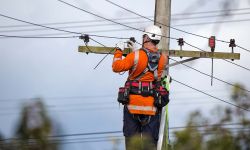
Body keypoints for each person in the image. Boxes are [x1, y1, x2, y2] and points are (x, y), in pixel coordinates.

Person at [112, 25, 169, 150]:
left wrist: (118, 50)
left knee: (133, 146)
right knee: (149, 147)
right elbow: (148, 62)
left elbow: (116, 67)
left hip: (132, 107)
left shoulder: (135, 56)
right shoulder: (163, 59)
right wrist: (135, 50)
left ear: (147, 37)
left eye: (144, 35)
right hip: (152, 109)